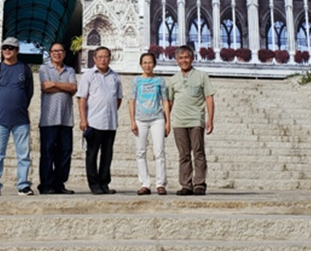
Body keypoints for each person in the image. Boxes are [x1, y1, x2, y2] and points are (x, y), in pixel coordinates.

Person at [0, 37, 35, 197]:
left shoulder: (24, 69)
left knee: (24, 156)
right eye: (5, 47)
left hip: (21, 120)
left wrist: (20, 105)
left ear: (17, 51)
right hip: (0, 120)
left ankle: (23, 185)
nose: (7, 50)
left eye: (11, 48)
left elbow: (29, 92)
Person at [168, 46, 215, 196]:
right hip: (179, 121)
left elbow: (209, 97)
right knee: (184, 154)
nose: (184, 61)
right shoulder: (173, 79)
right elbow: (169, 102)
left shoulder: (202, 76)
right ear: (176, 60)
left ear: (192, 58)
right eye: (180, 58)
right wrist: (167, 121)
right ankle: (186, 185)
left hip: (196, 120)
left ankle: (199, 184)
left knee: (198, 152)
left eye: (186, 57)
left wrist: (210, 119)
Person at [77, 46, 123, 195]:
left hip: (110, 122)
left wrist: (110, 110)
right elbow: (82, 98)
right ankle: (94, 184)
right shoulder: (88, 75)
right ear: (94, 59)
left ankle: (104, 183)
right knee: (92, 154)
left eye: (106, 57)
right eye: (100, 57)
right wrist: (83, 119)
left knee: (107, 155)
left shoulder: (115, 76)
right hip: (93, 121)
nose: (103, 59)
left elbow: (118, 99)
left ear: (110, 58)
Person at [38, 42, 78, 195]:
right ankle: (46, 184)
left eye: (60, 51)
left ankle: (59, 183)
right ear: (50, 53)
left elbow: (73, 88)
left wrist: (54, 83)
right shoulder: (44, 68)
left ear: (64, 53)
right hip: (48, 119)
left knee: (65, 152)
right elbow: (45, 87)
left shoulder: (70, 70)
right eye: (54, 51)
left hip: (66, 119)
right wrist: (65, 86)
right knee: (47, 152)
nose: (57, 53)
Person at [128, 52, 171, 196]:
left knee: (159, 152)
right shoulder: (136, 81)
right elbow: (132, 101)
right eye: (145, 62)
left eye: (150, 62)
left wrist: (168, 121)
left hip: (157, 119)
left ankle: (160, 184)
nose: (147, 65)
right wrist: (132, 121)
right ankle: (145, 184)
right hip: (140, 120)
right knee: (140, 152)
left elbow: (165, 101)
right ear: (141, 64)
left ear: (154, 64)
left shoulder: (160, 81)